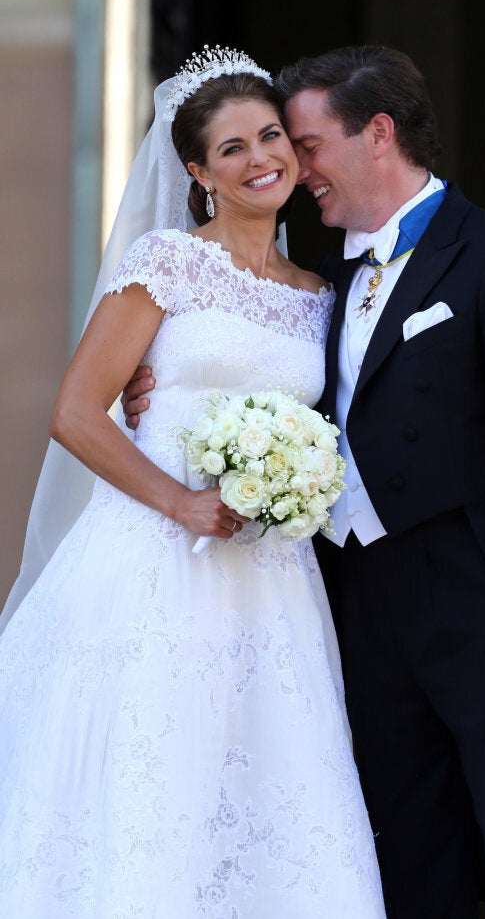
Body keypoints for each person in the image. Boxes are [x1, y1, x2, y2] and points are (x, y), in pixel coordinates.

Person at [125, 44, 485, 917]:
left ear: (377, 133)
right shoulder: (321, 281)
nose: (292, 169)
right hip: (357, 608)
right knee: (407, 849)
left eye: (304, 143)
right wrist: (149, 377)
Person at [0, 47, 387, 917]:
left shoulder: (319, 294)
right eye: (233, 150)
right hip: (154, 558)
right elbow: (76, 411)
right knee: (155, 770)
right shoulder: (167, 263)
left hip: (272, 581)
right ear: (196, 172)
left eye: (272, 138)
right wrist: (180, 501)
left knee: (267, 783)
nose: (262, 161)